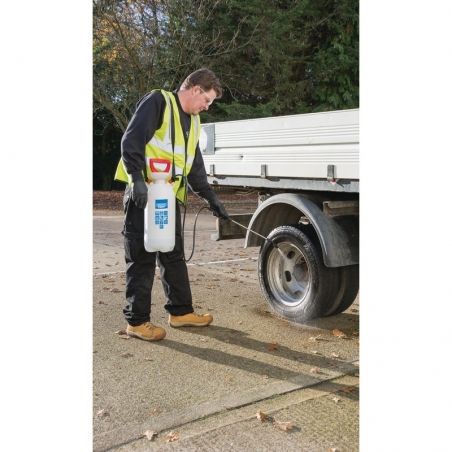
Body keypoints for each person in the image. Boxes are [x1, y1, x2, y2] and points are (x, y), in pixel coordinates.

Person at [114, 68, 229, 341]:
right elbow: (131, 139)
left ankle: (180, 312)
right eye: (207, 100)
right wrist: (136, 179)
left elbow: (195, 167)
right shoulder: (159, 102)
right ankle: (137, 322)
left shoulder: (194, 121)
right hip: (144, 194)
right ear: (196, 89)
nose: (207, 106)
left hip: (167, 197)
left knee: (173, 255)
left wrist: (212, 199)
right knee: (141, 257)